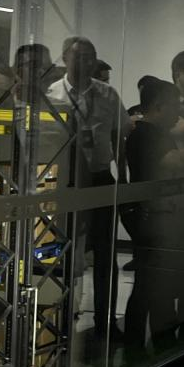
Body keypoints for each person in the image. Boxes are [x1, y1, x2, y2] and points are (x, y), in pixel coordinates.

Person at [123, 77, 184, 353]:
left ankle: (148, 341)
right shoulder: (145, 134)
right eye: (174, 106)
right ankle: (139, 345)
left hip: (158, 214)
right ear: (158, 106)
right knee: (149, 284)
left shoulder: (155, 132)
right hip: (150, 217)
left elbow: (179, 146)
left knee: (153, 282)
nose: (178, 112)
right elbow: (173, 162)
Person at [48, 36, 132, 341]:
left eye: (91, 57)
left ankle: (105, 321)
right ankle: (62, 320)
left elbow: (120, 136)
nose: (86, 62)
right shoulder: (52, 94)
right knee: (66, 253)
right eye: (80, 57)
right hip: (65, 182)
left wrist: (122, 177)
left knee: (105, 254)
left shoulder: (107, 94)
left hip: (99, 178)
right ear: (65, 59)